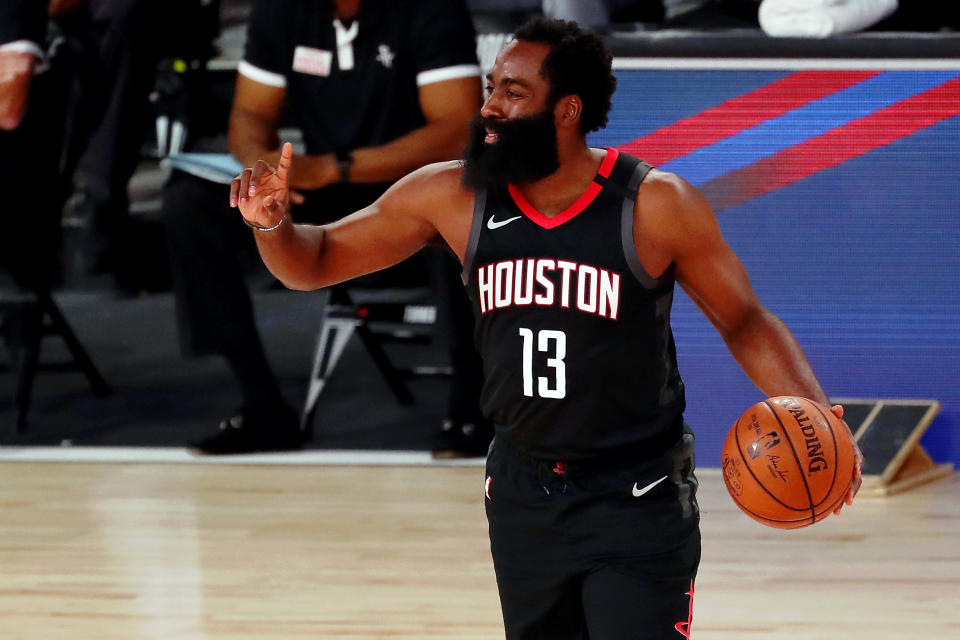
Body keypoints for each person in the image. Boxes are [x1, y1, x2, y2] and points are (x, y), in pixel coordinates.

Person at [228, 17, 863, 638]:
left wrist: (820, 418)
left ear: (566, 110)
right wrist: (271, 224)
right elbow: (313, 263)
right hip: (521, 490)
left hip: (635, 492)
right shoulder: (452, 194)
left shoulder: (655, 205)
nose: (488, 110)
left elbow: (745, 321)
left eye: (512, 92)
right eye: (490, 88)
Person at [168, 0, 487, 455]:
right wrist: (261, 171)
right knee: (190, 205)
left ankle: (470, 409)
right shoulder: (281, 10)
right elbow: (250, 115)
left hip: (410, 182)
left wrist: (335, 169)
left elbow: (457, 127)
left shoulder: (431, 9)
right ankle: (261, 405)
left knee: (459, 202)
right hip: (319, 181)